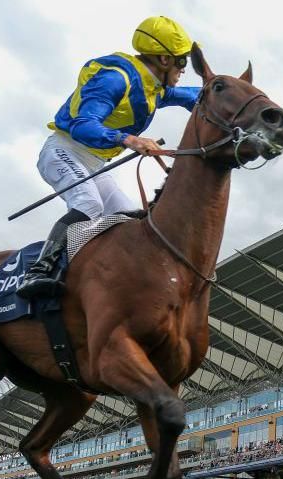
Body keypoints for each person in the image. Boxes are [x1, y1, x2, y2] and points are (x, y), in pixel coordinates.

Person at [17, 16, 202, 299]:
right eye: (181, 61)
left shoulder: (152, 86)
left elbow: (190, 96)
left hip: (95, 164)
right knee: (88, 203)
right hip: (64, 151)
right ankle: (38, 272)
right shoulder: (115, 79)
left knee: (129, 220)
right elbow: (83, 124)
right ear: (164, 59)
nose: (183, 70)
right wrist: (129, 139)